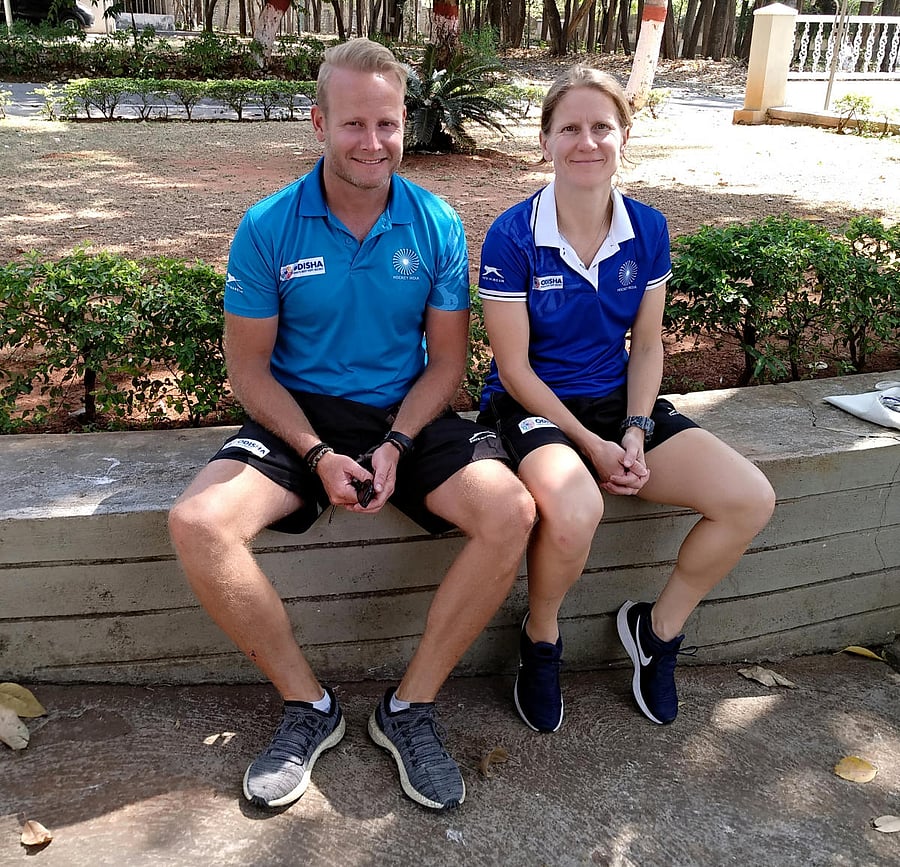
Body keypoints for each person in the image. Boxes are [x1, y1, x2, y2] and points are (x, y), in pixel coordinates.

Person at [168, 38, 535, 812]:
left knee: (512, 509)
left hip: (407, 411)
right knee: (199, 522)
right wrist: (317, 450)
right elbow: (249, 370)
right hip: (297, 417)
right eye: (354, 124)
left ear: (406, 124)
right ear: (318, 123)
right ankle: (310, 706)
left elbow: (445, 366)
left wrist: (398, 443)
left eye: (389, 123)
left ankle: (408, 709)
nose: (373, 143)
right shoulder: (268, 226)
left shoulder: (434, 222)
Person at [475, 66, 776, 734]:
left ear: (624, 135)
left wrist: (635, 432)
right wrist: (593, 446)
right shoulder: (513, 234)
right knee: (576, 507)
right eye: (570, 128)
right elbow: (515, 367)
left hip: (618, 404)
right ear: (546, 141)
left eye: (601, 127)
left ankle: (656, 630)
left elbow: (646, 347)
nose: (587, 141)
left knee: (750, 498)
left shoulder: (647, 227)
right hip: (533, 406)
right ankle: (541, 637)